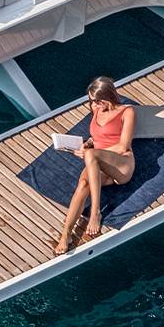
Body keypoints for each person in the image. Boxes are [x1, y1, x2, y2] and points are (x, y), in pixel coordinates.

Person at [55, 77, 136, 255]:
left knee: (91, 155)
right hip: (96, 161)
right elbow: (97, 136)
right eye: (92, 100)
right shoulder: (95, 108)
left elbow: (123, 146)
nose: (95, 104)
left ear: (109, 96)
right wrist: (88, 144)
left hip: (121, 163)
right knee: (83, 184)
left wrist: (90, 152)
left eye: (98, 100)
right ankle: (66, 234)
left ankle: (95, 213)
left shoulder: (127, 112)